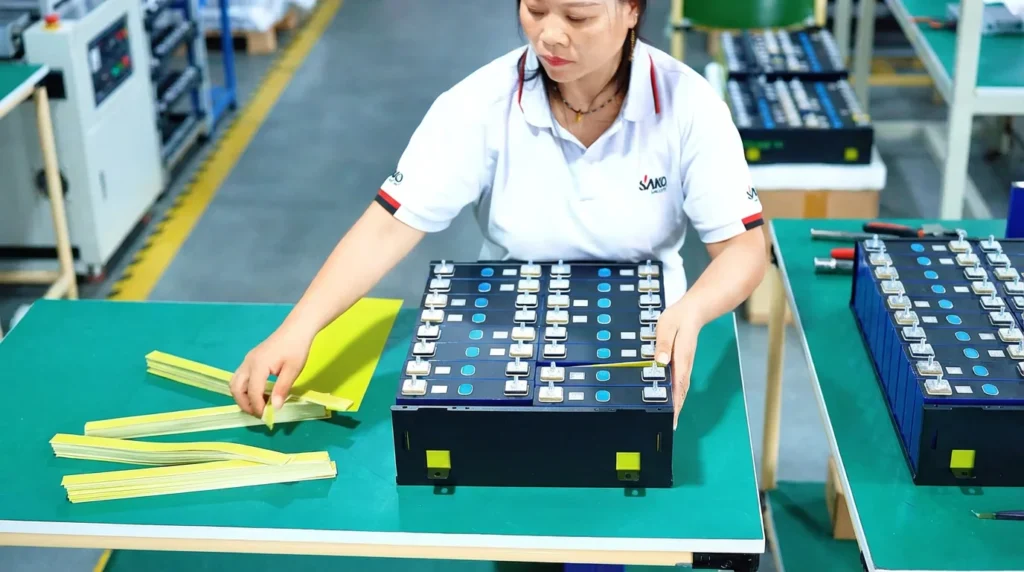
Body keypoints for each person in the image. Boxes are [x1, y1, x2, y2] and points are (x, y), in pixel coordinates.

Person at [230, 0, 766, 430]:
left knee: (623, 520)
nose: (551, 36)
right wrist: (299, 327)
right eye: (535, 10)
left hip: (645, 340)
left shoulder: (688, 106)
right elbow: (389, 224)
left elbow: (744, 248)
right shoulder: (479, 104)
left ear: (631, 11)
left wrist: (692, 310)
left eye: (577, 17)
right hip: (508, 331)